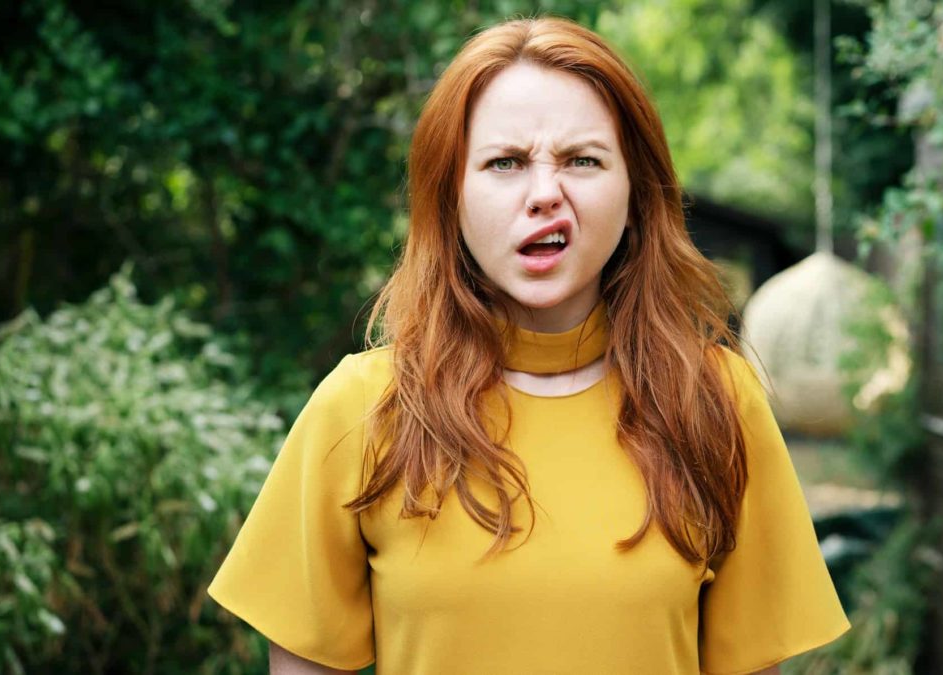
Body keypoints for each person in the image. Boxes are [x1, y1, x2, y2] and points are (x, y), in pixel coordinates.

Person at [208, 15, 849, 675]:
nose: (547, 194)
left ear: (636, 189)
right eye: (505, 163)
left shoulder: (715, 400)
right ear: (450, 194)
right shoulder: (362, 407)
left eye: (583, 160)